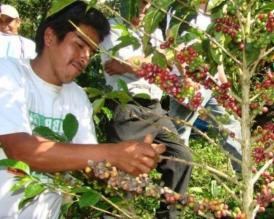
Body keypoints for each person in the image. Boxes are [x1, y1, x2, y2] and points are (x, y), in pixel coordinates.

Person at [0, 1, 165, 218]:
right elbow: (21, 150)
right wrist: (114, 153)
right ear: (50, 37)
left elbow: (91, 164)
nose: (86, 57)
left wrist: (130, 166)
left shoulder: (77, 97)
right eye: (79, 45)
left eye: (92, 51)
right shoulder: (8, 73)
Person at [101, 0, 193, 218]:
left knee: (181, 156)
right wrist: (156, 62)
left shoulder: (155, 34)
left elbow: (157, 67)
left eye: (148, 4)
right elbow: (129, 64)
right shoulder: (112, 27)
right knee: (124, 175)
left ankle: (168, 215)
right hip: (127, 106)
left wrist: (137, 65)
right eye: (139, 2)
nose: (144, 8)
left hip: (155, 109)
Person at [167, 1, 242, 171]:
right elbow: (175, 47)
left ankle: (244, 176)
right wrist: (186, 79)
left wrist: (223, 83)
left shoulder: (213, 16)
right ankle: (176, 181)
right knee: (180, 134)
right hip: (188, 83)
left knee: (230, 125)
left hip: (211, 83)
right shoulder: (181, 12)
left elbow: (216, 55)